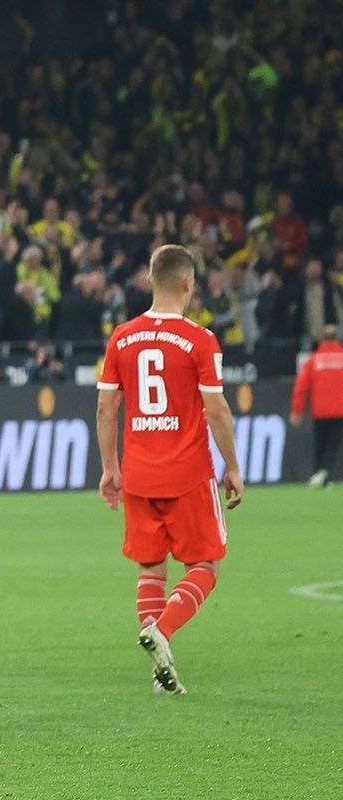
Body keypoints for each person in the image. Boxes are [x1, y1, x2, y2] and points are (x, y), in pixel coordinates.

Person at [96, 244, 243, 696]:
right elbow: (215, 410)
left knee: (151, 568)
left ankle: (160, 670)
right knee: (207, 564)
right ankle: (163, 631)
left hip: (138, 472)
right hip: (187, 473)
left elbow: (106, 407)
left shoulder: (122, 336)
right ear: (188, 283)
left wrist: (109, 468)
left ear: (150, 282)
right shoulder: (200, 340)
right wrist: (233, 466)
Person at [290, 324, 343, 487]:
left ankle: (318, 473)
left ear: (321, 339)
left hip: (320, 411)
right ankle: (325, 474)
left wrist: (297, 411)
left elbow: (301, 387)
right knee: (333, 445)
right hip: (339, 410)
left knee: (320, 443)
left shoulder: (313, 360)